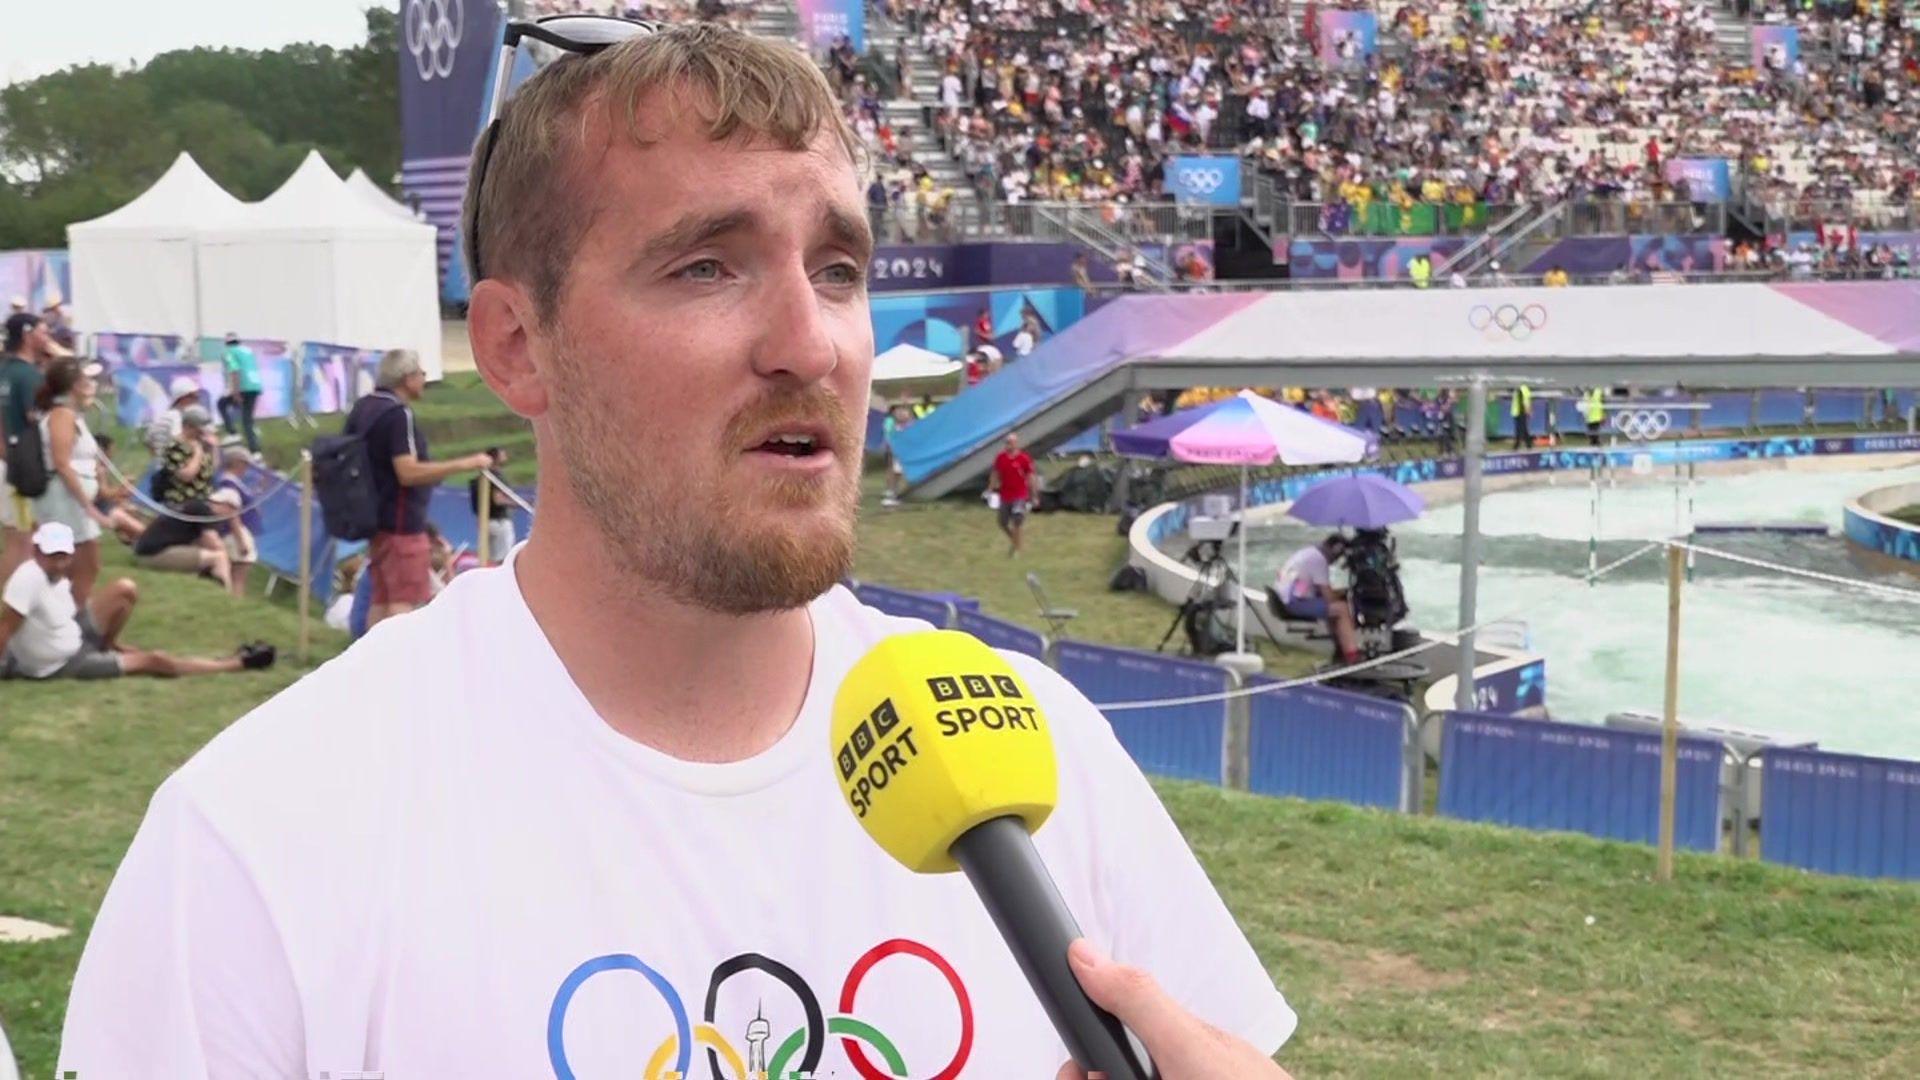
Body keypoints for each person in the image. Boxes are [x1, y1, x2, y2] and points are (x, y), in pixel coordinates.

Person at [61, 24, 1294, 1079]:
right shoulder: (259, 839)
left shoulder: (1040, 749)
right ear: (515, 347)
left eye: (840, 269)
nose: (811, 345)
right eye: (707, 266)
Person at [0, 522, 274, 680]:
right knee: (153, 660)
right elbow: (5, 628)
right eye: (52, 556)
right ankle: (237, 663)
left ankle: (109, 645)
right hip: (63, 663)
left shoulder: (56, 573)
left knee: (125, 589)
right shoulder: (29, 579)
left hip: (73, 633)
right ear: (37, 551)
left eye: (64, 556)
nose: (60, 563)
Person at [343, 348, 491, 628]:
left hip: (374, 518)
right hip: (401, 523)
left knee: (381, 597)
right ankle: (400, 667)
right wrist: (465, 463)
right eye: (421, 374)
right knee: (403, 600)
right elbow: (407, 471)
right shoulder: (398, 415)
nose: (424, 379)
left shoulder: (364, 407)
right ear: (406, 378)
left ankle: (373, 663)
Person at [32, 358, 112, 611]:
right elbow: (62, 463)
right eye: (87, 380)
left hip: (67, 503)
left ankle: (69, 626)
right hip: (63, 503)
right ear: (75, 384)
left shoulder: (70, 415)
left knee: (75, 568)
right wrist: (89, 506)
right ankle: (70, 627)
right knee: (80, 566)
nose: (92, 385)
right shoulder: (62, 416)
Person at [0, 311, 54, 580]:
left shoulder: (4, 370)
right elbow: (39, 420)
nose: (48, 338)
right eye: (44, 332)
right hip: (23, 467)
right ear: (27, 334)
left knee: (17, 538)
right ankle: (13, 609)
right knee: (23, 542)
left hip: (7, 462)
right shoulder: (29, 376)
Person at [131, 491, 241, 593]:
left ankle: (207, 590)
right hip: (154, 554)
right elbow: (212, 541)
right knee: (219, 557)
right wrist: (226, 556)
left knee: (206, 555)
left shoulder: (195, 505)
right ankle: (227, 597)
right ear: (227, 506)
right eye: (233, 512)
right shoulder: (205, 512)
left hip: (145, 552)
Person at [1273, 534, 1360, 662]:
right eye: (1339, 555)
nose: (1337, 560)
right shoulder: (1319, 560)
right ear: (1335, 550)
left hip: (1284, 598)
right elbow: (1329, 596)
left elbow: (1316, 589)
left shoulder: (1308, 553)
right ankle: (1352, 656)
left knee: (1332, 609)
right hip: (1293, 603)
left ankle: (1341, 651)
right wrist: (1345, 591)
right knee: (1342, 609)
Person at [157, 405, 218, 509]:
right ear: (189, 426)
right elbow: (186, 476)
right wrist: (198, 453)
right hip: (182, 502)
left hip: (204, 499)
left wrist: (213, 448)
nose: (203, 433)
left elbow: (212, 468)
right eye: (199, 429)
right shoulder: (174, 446)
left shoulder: (201, 441)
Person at [217, 332, 264, 456]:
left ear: (227, 343)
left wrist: (235, 391)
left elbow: (234, 370)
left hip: (243, 386)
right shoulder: (248, 351)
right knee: (247, 417)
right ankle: (255, 449)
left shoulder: (228, 352)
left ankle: (233, 433)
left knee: (221, 404)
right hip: (255, 385)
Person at [990, 430, 1036, 556]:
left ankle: (1016, 550)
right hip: (1005, 495)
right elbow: (995, 474)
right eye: (1007, 442)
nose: (1008, 445)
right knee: (1002, 522)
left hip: (1020, 495)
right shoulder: (1000, 458)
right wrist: (990, 489)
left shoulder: (1024, 459)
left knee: (1017, 520)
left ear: (1016, 443)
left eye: (1011, 442)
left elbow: (1031, 477)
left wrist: (1034, 495)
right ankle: (1015, 542)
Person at [467, 447, 516, 562]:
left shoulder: (479, 479)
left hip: (484, 522)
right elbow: (498, 499)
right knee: (504, 558)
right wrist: (517, 503)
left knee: (487, 558)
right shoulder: (496, 477)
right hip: (499, 521)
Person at [145, 374, 206, 459]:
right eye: (194, 396)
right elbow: (177, 438)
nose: (197, 399)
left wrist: (157, 457)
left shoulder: (161, 416)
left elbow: (149, 441)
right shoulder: (178, 417)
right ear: (183, 398)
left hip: (160, 464)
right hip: (174, 466)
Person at [1510, 383, 1534, 451]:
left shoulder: (1518, 389)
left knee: (1521, 429)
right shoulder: (1525, 389)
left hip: (1516, 412)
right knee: (1522, 429)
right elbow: (1526, 402)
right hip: (1520, 412)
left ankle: (1518, 446)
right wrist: (1529, 411)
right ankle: (1527, 445)